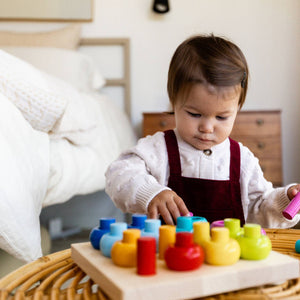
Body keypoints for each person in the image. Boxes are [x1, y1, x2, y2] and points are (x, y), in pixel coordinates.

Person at [105, 34, 300, 228]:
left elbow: (260, 208)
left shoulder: (242, 160)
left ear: (237, 109)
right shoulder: (158, 149)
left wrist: (286, 200)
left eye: (221, 117)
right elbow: (118, 175)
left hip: (228, 259)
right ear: (174, 101)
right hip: (167, 256)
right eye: (194, 114)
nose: (207, 128)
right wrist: (150, 193)